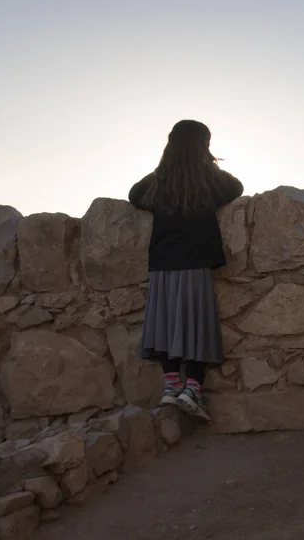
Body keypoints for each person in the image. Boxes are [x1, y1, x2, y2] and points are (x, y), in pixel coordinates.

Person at [128, 120, 243, 422]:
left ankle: (170, 386)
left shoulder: (159, 180)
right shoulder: (208, 179)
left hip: (164, 264)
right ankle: (192, 389)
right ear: (203, 145)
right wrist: (209, 166)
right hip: (195, 262)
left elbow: (134, 194)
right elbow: (236, 187)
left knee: (166, 324)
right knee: (196, 324)